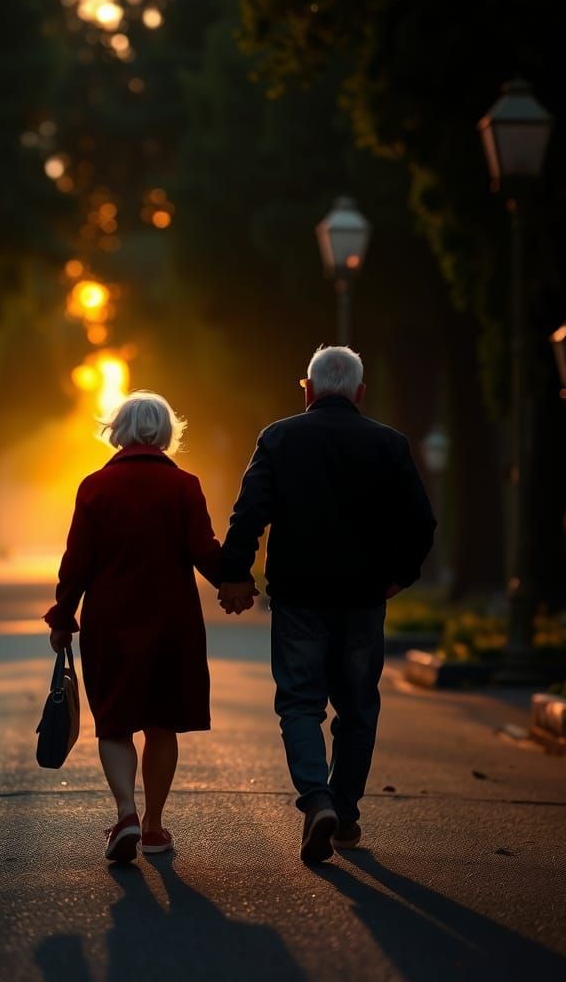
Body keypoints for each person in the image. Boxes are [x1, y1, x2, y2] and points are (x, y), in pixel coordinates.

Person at [217, 345, 436, 865]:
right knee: (357, 706)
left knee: (299, 703)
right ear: (359, 393)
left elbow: (249, 514)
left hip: (298, 596)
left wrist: (235, 575)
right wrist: (400, 577)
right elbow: (421, 523)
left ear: (309, 390)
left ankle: (317, 801)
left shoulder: (279, 438)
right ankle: (347, 810)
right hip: (363, 597)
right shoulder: (390, 444)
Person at [45, 391, 232, 863]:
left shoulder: (94, 487)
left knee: (114, 721)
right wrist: (235, 583)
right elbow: (204, 549)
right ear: (167, 433)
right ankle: (152, 825)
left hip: (110, 620)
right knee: (160, 721)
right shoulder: (185, 485)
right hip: (173, 621)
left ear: (118, 431)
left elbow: (77, 561)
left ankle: (125, 812)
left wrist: (63, 617)